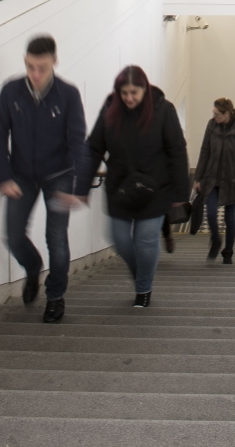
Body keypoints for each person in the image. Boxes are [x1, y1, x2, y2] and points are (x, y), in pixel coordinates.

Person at [0, 34, 87, 324]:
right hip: (20, 176)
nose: (36, 74)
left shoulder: (68, 94)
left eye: (42, 67)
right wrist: (4, 176)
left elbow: (77, 141)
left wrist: (76, 184)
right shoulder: (11, 92)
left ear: (54, 62)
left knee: (56, 239)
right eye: (31, 66)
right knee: (13, 236)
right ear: (25, 62)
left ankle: (55, 296)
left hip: (59, 177)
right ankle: (33, 269)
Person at [83, 66, 188, 307]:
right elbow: (94, 147)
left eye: (134, 92)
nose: (129, 98)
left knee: (146, 239)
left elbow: (177, 151)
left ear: (145, 90)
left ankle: (143, 288)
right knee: (119, 239)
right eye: (124, 93)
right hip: (121, 188)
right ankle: (141, 274)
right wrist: (82, 185)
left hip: (156, 188)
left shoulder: (164, 110)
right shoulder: (111, 109)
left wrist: (181, 192)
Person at [193, 97, 235, 264]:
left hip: (232, 181)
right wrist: (197, 178)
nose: (214, 117)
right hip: (212, 179)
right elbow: (204, 151)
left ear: (226, 113)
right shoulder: (211, 126)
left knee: (230, 219)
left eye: (217, 114)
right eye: (212, 113)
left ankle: (228, 250)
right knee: (211, 213)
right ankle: (216, 239)